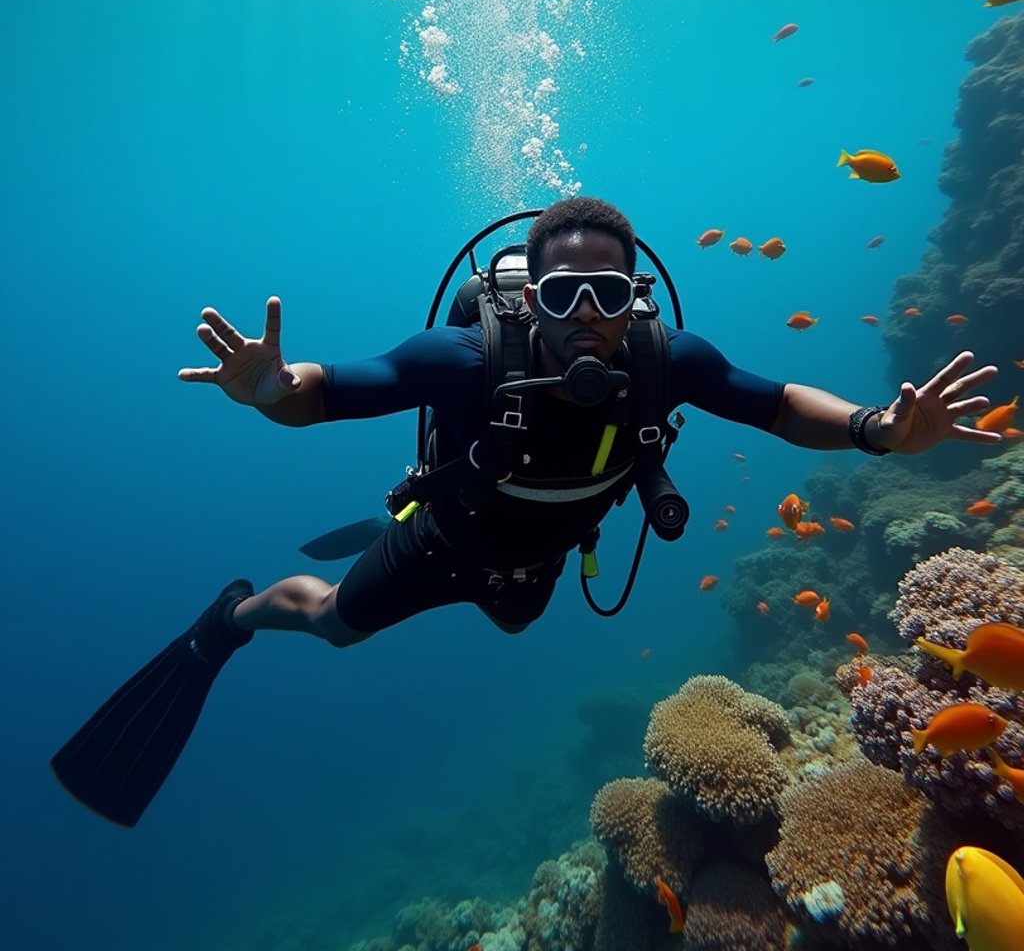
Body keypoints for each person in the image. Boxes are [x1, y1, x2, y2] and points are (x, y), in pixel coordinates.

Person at [50, 197, 1001, 826]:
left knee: (514, 622)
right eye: (561, 293)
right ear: (528, 299)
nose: (587, 316)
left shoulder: (669, 362)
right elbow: (336, 387)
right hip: (441, 540)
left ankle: (416, 554)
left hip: (539, 559)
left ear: (638, 299)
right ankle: (235, 614)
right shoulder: (464, 357)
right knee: (336, 624)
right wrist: (271, 390)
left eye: (610, 293)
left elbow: (780, 402)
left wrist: (879, 429)